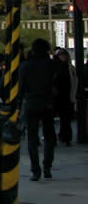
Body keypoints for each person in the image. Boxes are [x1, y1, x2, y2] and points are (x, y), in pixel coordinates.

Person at [18, 38, 57, 181]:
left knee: (32, 138)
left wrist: (17, 107)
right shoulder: (51, 65)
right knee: (49, 136)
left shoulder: (25, 66)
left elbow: (21, 89)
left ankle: (36, 170)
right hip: (48, 104)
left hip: (31, 104)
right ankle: (47, 167)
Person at [54, 48, 77, 146]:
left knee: (66, 118)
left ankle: (66, 137)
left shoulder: (70, 68)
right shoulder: (55, 68)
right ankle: (61, 136)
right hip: (57, 96)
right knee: (62, 117)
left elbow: (75, 81)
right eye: (61, 55)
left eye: (64, 55)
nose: (63, 57)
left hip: (67, 95)